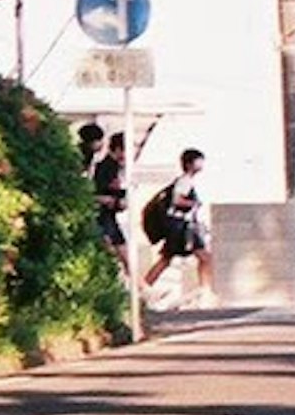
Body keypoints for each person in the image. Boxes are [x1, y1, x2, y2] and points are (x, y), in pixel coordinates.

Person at [143, 148, 212, 309]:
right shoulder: (185, 181)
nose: (201, 163)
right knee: (205, 258)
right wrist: (194, 204)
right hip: (182, 227)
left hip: (177, 227)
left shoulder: (185, 180)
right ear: (189, 163)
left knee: (166, 259)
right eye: (198, 160)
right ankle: (205, 293)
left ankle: (145, 288)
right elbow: (177, 200)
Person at [87, 121, 132, 255]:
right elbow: (99, 191)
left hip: (108, 215)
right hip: (102, 216)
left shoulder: (115, 167)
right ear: (118, 149)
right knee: (113, 250)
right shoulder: (106, 167)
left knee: (121, 250)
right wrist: (114, 199)